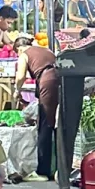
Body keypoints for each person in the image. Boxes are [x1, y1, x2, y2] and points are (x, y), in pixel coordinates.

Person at [12, 35, 59, 180]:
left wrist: (16, 90)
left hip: (48, 81)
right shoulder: (45, 50)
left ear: (19, 49)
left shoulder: (24, 54)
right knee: (58, 123)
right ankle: (59, 167)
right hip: (60, 78)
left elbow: (20, 77)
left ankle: (42, 171)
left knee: (45, 124)